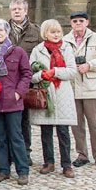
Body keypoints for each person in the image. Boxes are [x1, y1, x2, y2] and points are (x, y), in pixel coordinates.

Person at [29, 19, 78, 178]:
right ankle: (48, 161)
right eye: (52, 32)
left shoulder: (66, 48)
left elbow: (72, 71)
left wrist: (55, 71)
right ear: (45, 33)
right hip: (46, 93)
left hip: (62, 93)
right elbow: (30, 73)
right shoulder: (38, 50)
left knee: (63, 131)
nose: (56, 35)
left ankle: (66, 164)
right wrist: (41, 75)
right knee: (46, 131)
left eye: (58, 32)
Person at [64, 11, 96, 170]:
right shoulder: (66, 40)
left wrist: (89, 65)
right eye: (75, 21)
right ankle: (82, 154)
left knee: (95, 124)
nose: (78, 24)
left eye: (81, 21)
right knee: (76, 125)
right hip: (72, 87)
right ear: (71, 23)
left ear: (87, 22)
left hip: (91, 87)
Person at [0, 19, 31, 185]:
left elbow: (27, 74)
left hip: (13, 102)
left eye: (1, 30)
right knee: (0, 138)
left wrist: (19, 92)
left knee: (16, 137)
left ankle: (22, 170)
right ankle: (3, 169)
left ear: (7, 33)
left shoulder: (18, 52)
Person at [8, 0, 42, 166]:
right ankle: (9, 153)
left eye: (19, 9)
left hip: (26, 81)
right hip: (7, 81)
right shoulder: (3, 29)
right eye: (14, 9)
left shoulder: (36, 31)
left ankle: (25, 152)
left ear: (26, 11)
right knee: (8, 119)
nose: (16, 11)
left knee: (24, 120)